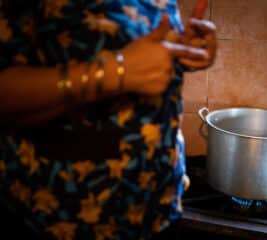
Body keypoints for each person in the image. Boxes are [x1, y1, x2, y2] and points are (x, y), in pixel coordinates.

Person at [0, 0, 217, 239]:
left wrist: (180, 50)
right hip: (67, 219)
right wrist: (117, 72)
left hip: (159, 209)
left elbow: (128, 46)